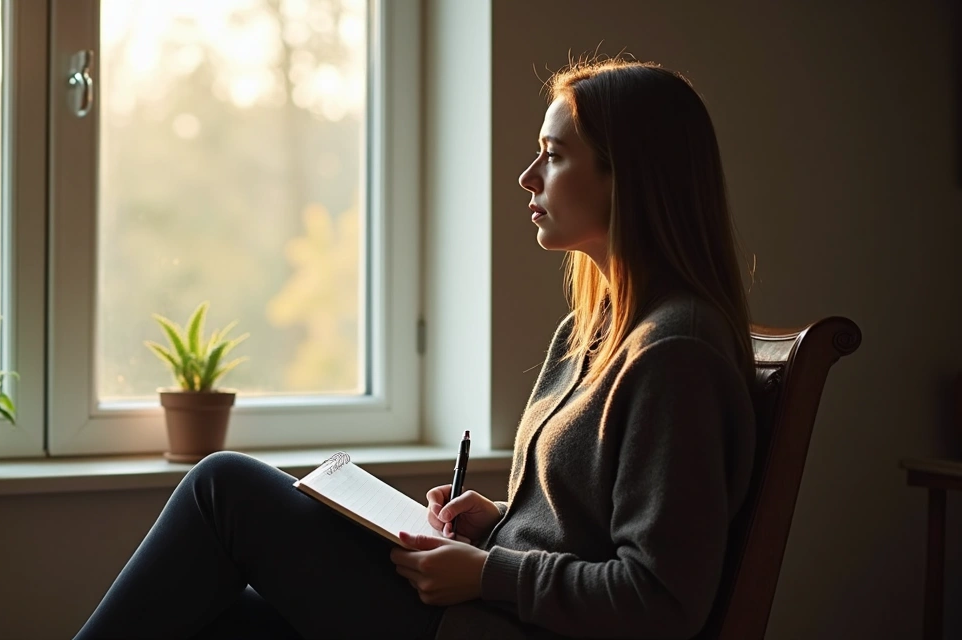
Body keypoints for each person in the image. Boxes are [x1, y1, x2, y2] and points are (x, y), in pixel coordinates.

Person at [73, 57, 757, 640]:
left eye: (552, 156)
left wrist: (491, 570)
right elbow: (585, 527)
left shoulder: (675, 354)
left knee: (222, 485)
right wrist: (497, 523)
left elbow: (663, 600)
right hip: (487, 614)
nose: (527, 177)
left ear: (627, 178)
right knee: (222, 619)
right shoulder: (597, 329)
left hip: (492, 628)